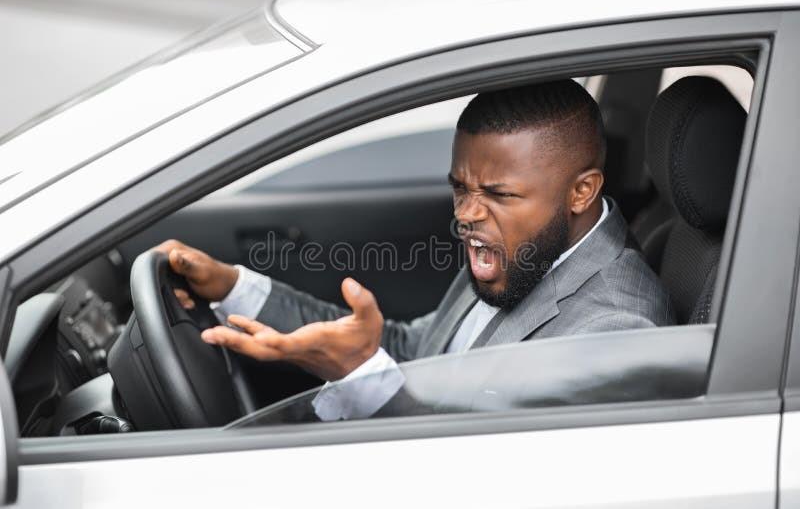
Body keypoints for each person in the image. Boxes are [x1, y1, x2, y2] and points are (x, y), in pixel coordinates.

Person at [156, 79, 675, 420]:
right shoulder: (520, 249)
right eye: (460, 188)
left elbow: (489, 479)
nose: (467, 214)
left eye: (497, 194)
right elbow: (421, 351)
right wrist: (236, 288)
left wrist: (359, 375)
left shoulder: (613, 330)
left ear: (582, 191)